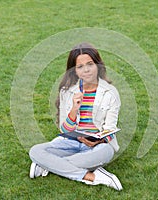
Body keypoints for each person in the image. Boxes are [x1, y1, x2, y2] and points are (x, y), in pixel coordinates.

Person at [29, 42, 122, 191]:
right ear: (75, 71)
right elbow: (64, 129)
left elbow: (110, 128)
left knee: (106, 152)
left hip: (97, 146)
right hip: (71, 142)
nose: (86, 70)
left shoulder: (110, 93)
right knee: (35, 151)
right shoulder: (67, 92)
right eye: (80, 67)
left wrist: (100, 139)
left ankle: (48, 165)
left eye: (90, 64)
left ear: (97, 65)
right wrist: (74, 109)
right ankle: (94, 176)